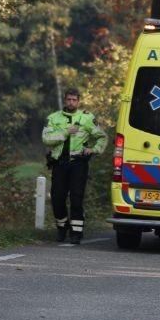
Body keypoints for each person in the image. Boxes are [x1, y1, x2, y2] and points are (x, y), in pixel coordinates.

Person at [41, 87, 107, 244]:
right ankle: (62, 227)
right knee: (57, 198)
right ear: (65, 100)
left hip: (78, 163)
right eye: (69, 99)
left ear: (78, 101)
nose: (71, 102)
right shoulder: (53, 118)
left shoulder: (87, 118)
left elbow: (102, 137)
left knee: (76, 199)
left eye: (74, 100)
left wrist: (94, 149)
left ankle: (76, 233)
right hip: (59, 164)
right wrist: (65, 132)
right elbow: (46, 139)